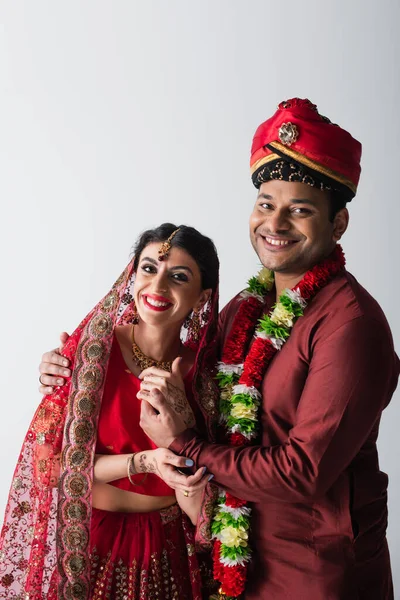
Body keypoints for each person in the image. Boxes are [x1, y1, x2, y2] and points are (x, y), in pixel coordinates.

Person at [35, 98, 399, 599]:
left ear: (338, 225)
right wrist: (62, 370)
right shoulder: (245, 310)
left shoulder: (350, 325)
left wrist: (183, 442)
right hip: (227, 561)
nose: (276, 224)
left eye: (300, 210)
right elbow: (188, 373)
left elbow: (303, 472)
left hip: (316, 572)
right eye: (267, 205)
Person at [0, 223, 220, 599]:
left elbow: (203, 511)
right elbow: (49, 467)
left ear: (202, 298)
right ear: (132, 277)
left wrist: (180, 440)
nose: (158, 286)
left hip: (170, 552)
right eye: (148, 268)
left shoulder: (206, 378)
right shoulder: (88, 353)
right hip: (89, 543)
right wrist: (144, 462)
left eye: (178, 277)